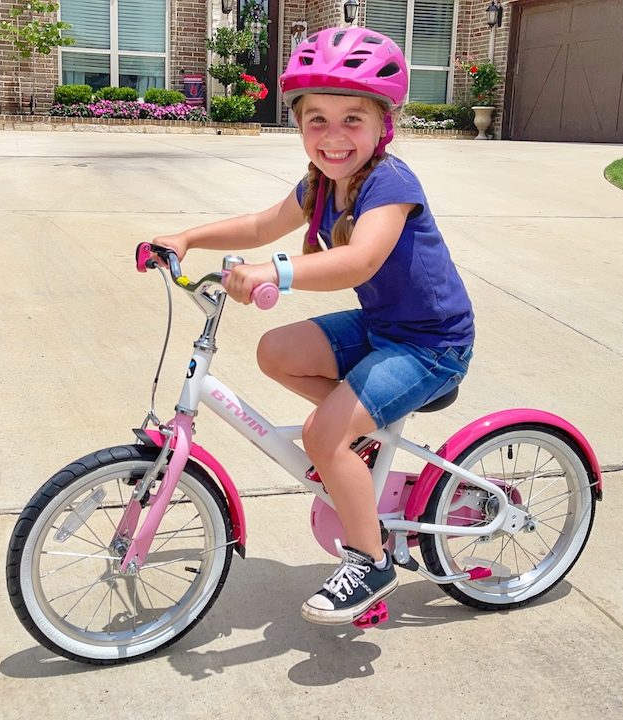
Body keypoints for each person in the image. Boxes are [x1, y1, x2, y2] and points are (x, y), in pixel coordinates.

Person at [152, 27, 475, 625]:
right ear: (299, 126)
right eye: (317, 119)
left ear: (384, 126)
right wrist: (187, 237)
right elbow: (258, 224)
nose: (333, 135)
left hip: (432, 344)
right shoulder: (320, 186)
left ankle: (370, 561)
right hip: (383, 325)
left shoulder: (391, 183)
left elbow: (361, 260)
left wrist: (275, 270)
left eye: (353, 119)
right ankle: (359, 433)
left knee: (323, 437)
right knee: (277, 350)